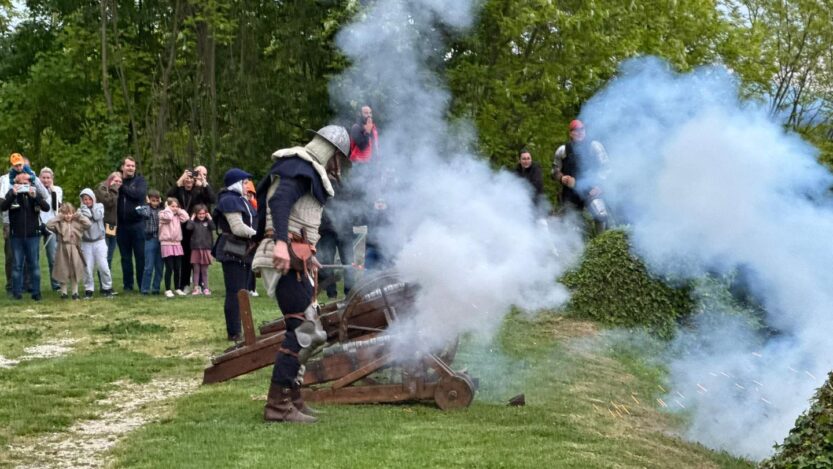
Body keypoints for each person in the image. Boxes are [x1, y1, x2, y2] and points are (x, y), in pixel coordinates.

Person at [251, 125, 348, 424]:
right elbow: (279, 202)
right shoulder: (300, 165)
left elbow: (299, 220)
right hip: (285, 254)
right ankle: (278, 406)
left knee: (310, 332)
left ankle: (292, 398)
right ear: (333, 153)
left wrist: (310, 255)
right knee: (302, 331)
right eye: (339, 159)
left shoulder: (305, 168)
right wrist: (282, 243)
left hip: (298, 254)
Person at [213, 168, 257, 341]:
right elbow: (237, 228)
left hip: (243, 247)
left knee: (242, 291)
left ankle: (240, 329)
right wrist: (258, 235)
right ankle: (234, 332)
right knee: (235, 291)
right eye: (244, 182)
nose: (247, 186)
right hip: (232, 247)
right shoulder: (229, 200)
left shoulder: (241, 199)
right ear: (236, 184)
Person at [552, 119, 611, 231]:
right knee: (571, 227)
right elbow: (555, 171)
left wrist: (600, 186)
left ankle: (602, 241)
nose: (579, 132)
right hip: (570, 192)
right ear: (570, 133)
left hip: (591, 189)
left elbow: (606, 168)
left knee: (601, 215)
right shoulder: (563, 150)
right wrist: (562, 178)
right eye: (576, 130)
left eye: (582, 130)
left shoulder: (594, 146)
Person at [1, 173, 49, 300]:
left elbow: (46, 207)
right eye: (20, 183)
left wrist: (35, 197)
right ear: (15, 184)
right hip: (16, 236)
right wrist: (13, 194)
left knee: (34, 265)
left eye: (25, 183)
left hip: (33, 236)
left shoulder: (33, 193)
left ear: (30, 183)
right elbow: (3, 207)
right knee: (17, 265)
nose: (23, 186)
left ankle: (36, 293)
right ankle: (16, 293)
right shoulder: (12, 193)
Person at [167, 167, 216, 293]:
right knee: (185, 257)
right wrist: (181, 179)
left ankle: (200, 284)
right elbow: (169, 195)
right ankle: (185, 284)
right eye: (187, 178)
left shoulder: (199, 190)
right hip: (182, 227)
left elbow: (212, 198)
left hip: (197, 228)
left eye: (191, 178)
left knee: (199, 257)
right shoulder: (180, 190)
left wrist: (203, 181)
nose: (189, 180)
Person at [47, 203, 91, 300]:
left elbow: (88, 224)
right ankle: (64, 293)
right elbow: (49, 225)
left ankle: (75, 293)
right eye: (65, 213)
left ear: (73, 213)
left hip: (74, 248)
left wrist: (79, 216)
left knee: (74, 270)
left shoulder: (77, 222)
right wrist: (58, 217)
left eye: (70, 213)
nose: (68, 216)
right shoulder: (59, 223)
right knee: (63, 270)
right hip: (62, 249)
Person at [116, 157, 147, 291]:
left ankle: (142, 284)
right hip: (121, 226)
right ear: (122, 167)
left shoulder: (140, 181)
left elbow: (138, 195)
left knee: (140, 256)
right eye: (128, 165)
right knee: (125, 257)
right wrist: (117, 184)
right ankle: (128, 285)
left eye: (133, 166)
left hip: (138, 224)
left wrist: (122, 187)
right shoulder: (116, 180)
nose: (131, 168)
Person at [79, 189, 114, 298]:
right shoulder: (79, 210)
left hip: (99, 240)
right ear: (82, 200)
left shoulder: (99, 206)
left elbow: (97, 216)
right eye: (85, 199)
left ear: (93, 199)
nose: (87, 201)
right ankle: (88, 290)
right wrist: (85, 209)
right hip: (86, 242)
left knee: (103, 266)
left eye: (90, 199)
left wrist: (92, 208)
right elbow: (85, 220)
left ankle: (107, 288)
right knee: (87, 268)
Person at [158, 197, 189, 298]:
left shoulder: (177, 215)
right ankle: (167, 289)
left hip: (177, 244)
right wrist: (168, 209)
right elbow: (168, 218)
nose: (175, 208)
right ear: (167, 206)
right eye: (172, 206)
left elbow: (186, 217)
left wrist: (178, 210)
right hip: (166, 244)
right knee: (169, 268)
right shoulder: (162, 214)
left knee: (177, 268)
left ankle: (177, 288)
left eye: (176, 206)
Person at [38, 167, 63, 291]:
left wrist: (52, 191)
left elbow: (56, 206)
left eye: (48, 178)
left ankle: (56, 284)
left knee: (53, 257)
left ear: (52, 179)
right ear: (39, 178)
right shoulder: (35, 189)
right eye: (43, 178)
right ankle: (31, 285)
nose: (46, 180)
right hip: (37, 224)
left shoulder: (57, 189)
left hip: (51, 225)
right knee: (33, 256)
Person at [137, 190, 164, 295]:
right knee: (148, 266)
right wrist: (148, 204)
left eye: (157, 200)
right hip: (150, 239)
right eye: (153, 200)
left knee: (160, 267)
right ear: (148, 200)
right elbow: (146, 214)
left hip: (161, 240)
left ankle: (156, 288)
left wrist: (161, 204)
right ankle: (145, 289)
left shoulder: (162, 210)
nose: (155, 202)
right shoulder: (145, 208)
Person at [95, 172, 122, 274]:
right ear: (110, 180)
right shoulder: (102, 188)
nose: (118, 183)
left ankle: (107, 280)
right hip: (102, 226)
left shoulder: (116, 191)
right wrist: (114, 189)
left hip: (112, 226)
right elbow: (108, 202)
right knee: (104, 256)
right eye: (116, 181)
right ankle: (103, 281)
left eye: (120, 182)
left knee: (109, 256)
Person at [186, 203, 215, 296]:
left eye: (203, 213)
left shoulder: (208, 223)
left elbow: (213, 227)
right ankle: (196, 288)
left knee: (204, 271)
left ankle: (206, 288)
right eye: (199, 214)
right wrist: (192, 218)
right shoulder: (194, 223)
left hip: (206, 249)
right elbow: (188, 227)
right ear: (196, 214)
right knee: (196, 270)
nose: (201, 215)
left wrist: (210, 218)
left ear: (206, 213)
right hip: (196, 249)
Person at [244, 180, 259, 297]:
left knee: (251, 263)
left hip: (253, 238)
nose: (249, 195)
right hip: (244, 237)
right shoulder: (242, 203)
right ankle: (245, 287)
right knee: (244, 263)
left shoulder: (254, 204)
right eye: (247, 192)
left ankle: (252, 288)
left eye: (251, 193)